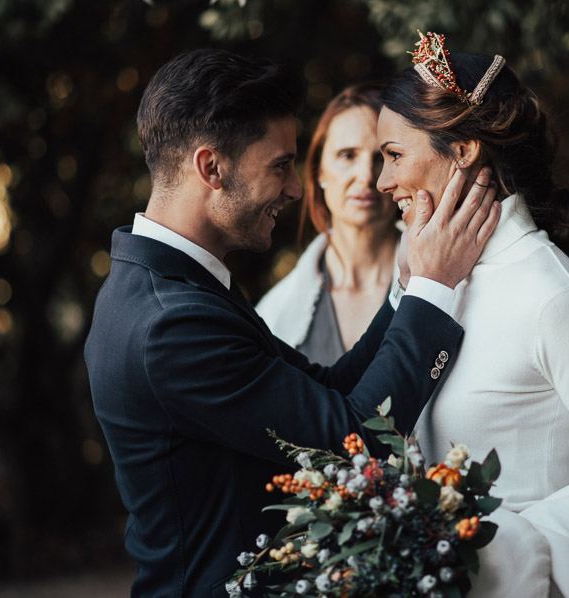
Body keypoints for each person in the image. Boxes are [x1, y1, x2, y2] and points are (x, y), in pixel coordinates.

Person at [83, 48, 500, 597]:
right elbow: (353, 443)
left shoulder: (173, 290)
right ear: (212, 167)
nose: (295, 189)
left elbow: (327, 390)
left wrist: (406, 286)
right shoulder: (170, 324)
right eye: (280, 165)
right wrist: (435, 288)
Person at [375, 32, 569, 597]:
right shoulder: (425, 284)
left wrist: (506, 548)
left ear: (463, 149)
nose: (382, 182)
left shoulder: (552, 298)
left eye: (395, 155)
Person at [257, 84, 399, 364]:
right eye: (347, 155)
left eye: (381, 158)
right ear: (319, 171)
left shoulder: (440, 282)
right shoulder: (274, 314)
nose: (365, 176)